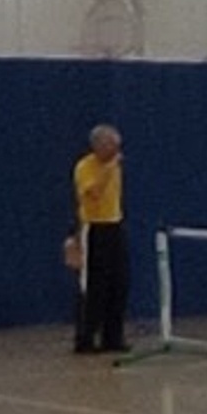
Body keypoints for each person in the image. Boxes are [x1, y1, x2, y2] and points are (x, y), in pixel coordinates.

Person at [72, 123, 129, 354]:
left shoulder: (116, 166)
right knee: (95, 285)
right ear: (98, 146)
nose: (116, 151)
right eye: (111, 146)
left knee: (119, 283)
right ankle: (86, 337)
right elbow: (93, 194)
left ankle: (112, 337)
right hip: (94, 229)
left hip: (114, 225)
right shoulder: (85, 167)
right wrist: (108, 169)